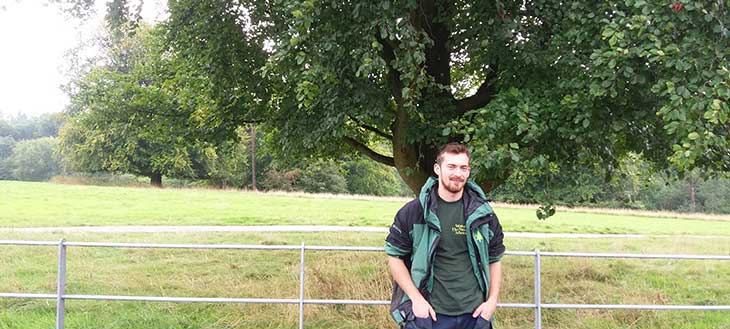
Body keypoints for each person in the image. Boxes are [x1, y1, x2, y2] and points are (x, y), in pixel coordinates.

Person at [385, 143, 505, 329]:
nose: (458, 173)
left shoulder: (484, 215)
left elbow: (494, 259)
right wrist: (416, 300)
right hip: (429, 315)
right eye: (451, 166)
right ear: (437, 169)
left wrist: (492, 302)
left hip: (475, 315)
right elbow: (394, 257)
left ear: (468, 171)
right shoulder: (414, 212)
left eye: (463, 168)